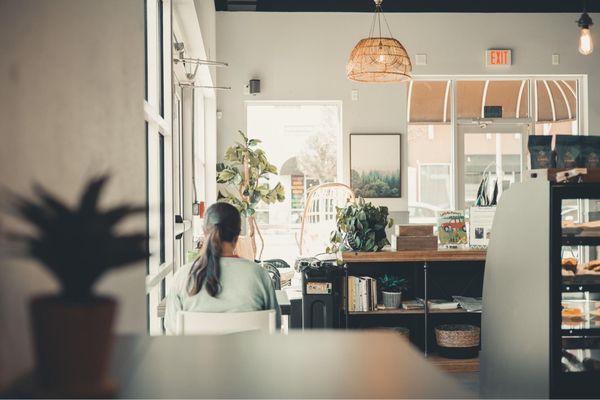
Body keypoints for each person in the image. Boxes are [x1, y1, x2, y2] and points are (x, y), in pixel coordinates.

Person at [165, 202, 280, 334]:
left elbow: (172, 330)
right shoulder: (259, 275)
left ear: (204, 232)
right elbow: (274, 328)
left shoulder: (183, 276)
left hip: (195, 354)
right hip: (248, 355)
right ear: (237, 235)